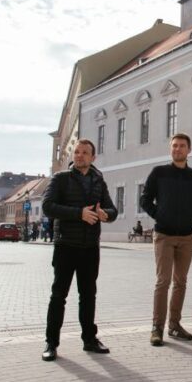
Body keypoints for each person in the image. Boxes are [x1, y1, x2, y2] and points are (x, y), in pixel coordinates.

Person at [41, 138, 118, 362]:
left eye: (84, 152)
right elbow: (47, 206)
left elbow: (112, 209)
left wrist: (105, 214)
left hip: (90, 247)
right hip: (66, 245)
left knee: (88, 295)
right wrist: (79, 214)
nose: (79, 155)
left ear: (93, 157)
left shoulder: (98, 180)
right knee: (59, 295)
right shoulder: (61, 178)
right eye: (77, 152)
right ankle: (51, 343)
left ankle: (89, 339)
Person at [140, 133, 192, 347]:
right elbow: (145, 199)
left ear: (189, 150)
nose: (178, 149)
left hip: (187, 236)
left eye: (182, 146)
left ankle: (174, 325)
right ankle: (157, 328)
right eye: (174, 146)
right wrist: (160, 216)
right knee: (163, 281)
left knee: (181, 282)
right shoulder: (159, 172)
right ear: (171, 149)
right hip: (164, 235)